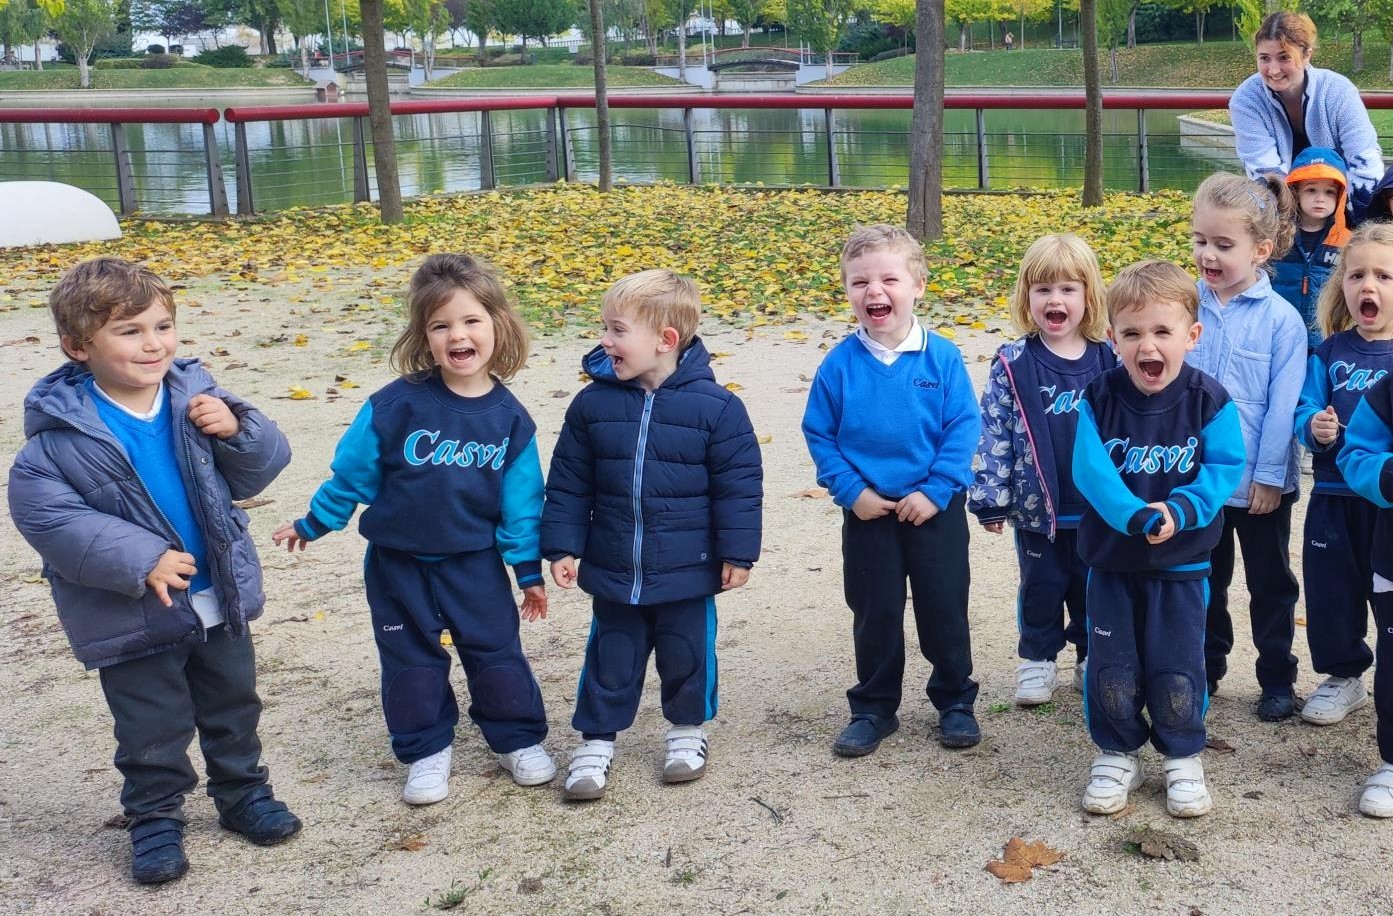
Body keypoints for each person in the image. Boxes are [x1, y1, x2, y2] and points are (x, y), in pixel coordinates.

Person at [7, 257, 301, 885]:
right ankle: (155, 819)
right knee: (151, 724)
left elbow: (262, 466)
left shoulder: (198, 398)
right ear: (78, 346)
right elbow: (49, 517)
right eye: (129, 331)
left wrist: (238, 430)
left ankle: (243, 794)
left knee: (233, 704)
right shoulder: (57, 440)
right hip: (134, 612)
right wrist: (141, 559)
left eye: (162, 326)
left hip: (215, 594)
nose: (153, 344)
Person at [273, 253, 556, 804]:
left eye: (471, 320)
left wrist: (527, 571)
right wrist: (314, 522)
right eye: (440, 325)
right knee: (411, 662)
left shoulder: (511, 419)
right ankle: (426, 750)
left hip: (473, 564)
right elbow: (352, 475)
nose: (458, 334)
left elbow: (522, 504)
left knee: (496, 653)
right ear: (424, 336)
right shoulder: (394, 406)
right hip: (396, 564)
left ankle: (517, 739)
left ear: (497, 324)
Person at [542, 269, 762, 802]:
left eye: (617, 330)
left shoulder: (717, 408)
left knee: (688, 653)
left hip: (689, 567)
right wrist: (563, 545)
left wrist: (738, 552)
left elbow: (739, 486)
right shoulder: (591, 406)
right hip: (614, 564)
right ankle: (596, 740)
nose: (604, 340)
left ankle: (687, 734)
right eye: (604, 328)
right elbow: (569, 482)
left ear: (665, 341)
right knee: (610, 655)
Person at [1073, 260, 1245, 818]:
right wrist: (1133, 516)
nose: (1148, 345)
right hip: (1113, 562)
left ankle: (1182, 755)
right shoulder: (1097, 397)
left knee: (1177, 667)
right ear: (1111, 336)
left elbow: (1223, 469)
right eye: (1132, 333)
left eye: (1162, 331)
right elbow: (1090, 471)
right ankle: (1117, 750)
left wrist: (1178, 509)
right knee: (1112, 667)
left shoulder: (1209, 400)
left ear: (1191, 337)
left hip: (1184, 564)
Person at [803, 224, 982, 757]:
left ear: (917, 285)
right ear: (848, 292)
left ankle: (955, 700)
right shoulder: (838, 365)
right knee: (874, 609)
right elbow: (819, 434)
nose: (874, 292)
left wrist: (938, 488)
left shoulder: (942, 358)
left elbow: (962, 427)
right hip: (869, 512)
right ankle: (874, 708)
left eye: (888, 279)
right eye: (860, 282)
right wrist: (850, 490)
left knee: (944, 606)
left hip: (935, 509)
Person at [968, 233, 1116, 706]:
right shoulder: (1014, 363)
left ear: (1089, 296)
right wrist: (990, 496)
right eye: (1043, 289)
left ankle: (1093, 655)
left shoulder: (1109, 359)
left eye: (1068, 289)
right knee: (1042, 587)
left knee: (1095, 588)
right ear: (1026, 297)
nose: (1055, 299)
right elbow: (994, 431)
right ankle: (1037, 660)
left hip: (1098, 510)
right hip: (1039, 512)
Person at [1188, 172, 1308, 720]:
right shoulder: (1184, 304)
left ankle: (1277, 676)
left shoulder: (1283, 321)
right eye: (1200, 240)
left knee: (1270, 584)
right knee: (1204, 581)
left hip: (1259, 486)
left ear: (1260, 251)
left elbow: (1283, 408)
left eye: (1222, 245)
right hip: (1197, 483)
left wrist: (1267, 476)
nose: (1207, 254)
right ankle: (1204, 670)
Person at [1293, 224, 1393, 729]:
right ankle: (1343, 674)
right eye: (1356, 275)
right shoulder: (1329, 352)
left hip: (1388, 504)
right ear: (1342, 286)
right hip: (1333, 494)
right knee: (1332, 591)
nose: (1367, 286)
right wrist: (1313, 426)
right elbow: (1305, 406)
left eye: (1383, 275)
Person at [1229, 11, 1384, 220]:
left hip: (1341, 203)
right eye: (1264, 58)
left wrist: (1362, 224)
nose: (1273, 70)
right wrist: (1289, 230)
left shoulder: (1339, 91)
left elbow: (1364, 160)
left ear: (1306, 54)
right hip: (1282, 212)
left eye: (1284, 57)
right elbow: (1266, 174)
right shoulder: (1246, 100)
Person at [1273, 147, 1351, 350]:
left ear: (1340, 197)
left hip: (1325, 337)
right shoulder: (1277, 234)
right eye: (1311, 190)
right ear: (1295, 192)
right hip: (1279, 333)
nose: (1320, 198)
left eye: (1329, 192)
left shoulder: (1347, 242)